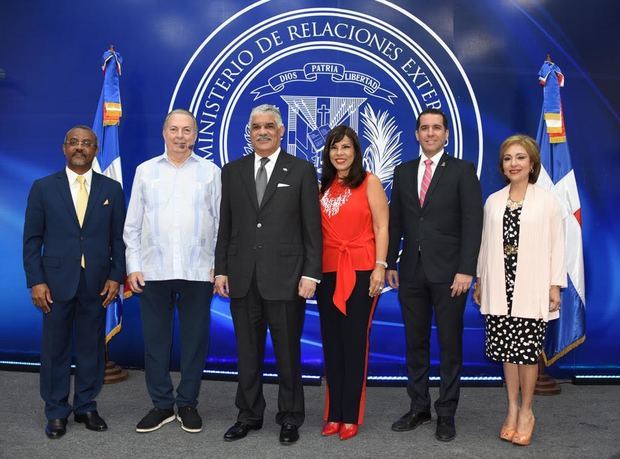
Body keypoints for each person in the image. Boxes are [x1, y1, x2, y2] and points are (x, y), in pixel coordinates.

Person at [214, 104, 322, 445]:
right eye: (256, 126)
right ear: (250, 132)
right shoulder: (232, 171)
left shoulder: (302, 170)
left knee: (288, 353)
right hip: (242, 278)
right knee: (247, 353)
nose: (262, 131)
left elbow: (312, 230)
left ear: (280, 131)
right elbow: (225, 227)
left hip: (287, 279)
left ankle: (290, 417)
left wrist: (311, 274)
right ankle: (248, 414)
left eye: (269, 126)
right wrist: (221, 270)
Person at [23, 125, 126, 439]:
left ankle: (85, 405)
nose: (80, 147)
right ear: (63, 147)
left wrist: (115, 276)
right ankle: (56, 411)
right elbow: (31, 240)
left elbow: (118, 239)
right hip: (54, 284)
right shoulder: (43, 188)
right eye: (74, 142)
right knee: (54, 349)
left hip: (96, 283)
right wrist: (36, 281)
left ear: (95, 150)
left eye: (87, 143)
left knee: (91, 348)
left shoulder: (111, 189)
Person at [386, 108, 483, 442]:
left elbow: (473, 223)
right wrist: (389, 263)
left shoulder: (462, 170)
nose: (430, 133)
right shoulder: (403, 171)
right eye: (424, 128)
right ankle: (419, 407)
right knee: (415, 343)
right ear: (416, 134)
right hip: (411, 272)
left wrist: (466, 270)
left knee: (449, 345)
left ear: (446, 134)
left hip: (450, 276)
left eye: (436, 128)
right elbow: (395, 221)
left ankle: (447, 413)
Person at [124, 109, 221, 434]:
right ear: (164, 133)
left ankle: (188, 403)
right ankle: (162, 405)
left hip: (199, 271)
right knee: (156, 342)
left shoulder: (210, 172)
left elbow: (222, 223)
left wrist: (219, 267)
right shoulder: (145, 171)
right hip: (153, 271)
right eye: (175, 130)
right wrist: (133, 266)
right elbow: (133, 225)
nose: (181, 136)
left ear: (196, 135)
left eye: (187, 131)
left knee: (195, 341)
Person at [473, 134, 565, 446]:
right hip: (499, 286)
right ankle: (511, 408)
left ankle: (527, 411)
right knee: (506, 354)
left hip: (532, 285)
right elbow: (485, 246)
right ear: (502, 165)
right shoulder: (494, 201)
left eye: (520, 158)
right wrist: (481, 281)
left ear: (532, 163)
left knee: (526, 353)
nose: (514, 163)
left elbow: (557, 246)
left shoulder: (547, 201)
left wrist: (555, 285)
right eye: (508, 158)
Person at [315, 125, 389, 441]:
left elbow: (383, 227)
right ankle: (333, 413)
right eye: (334, 147)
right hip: (327, 273)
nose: (340, 153)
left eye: (346, 147)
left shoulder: (370, 182)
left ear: (356, 152)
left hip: (361, 272)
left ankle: (351, 415)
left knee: (355, 343)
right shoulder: (323, 186)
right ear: (327, 153)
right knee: (332, 344)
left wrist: (380, 268)